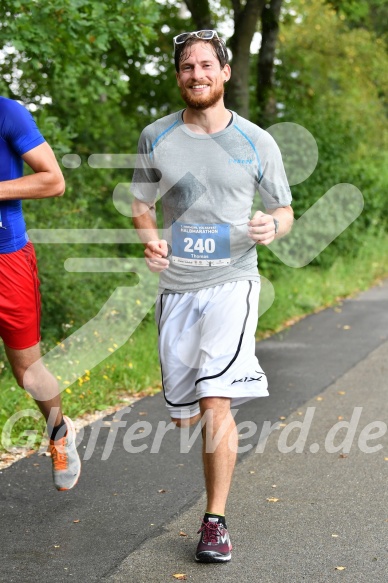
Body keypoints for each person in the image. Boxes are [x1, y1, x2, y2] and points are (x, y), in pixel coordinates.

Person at [131, 30, 293, 563]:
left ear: (223, 72)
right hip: (176, 289)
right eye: (186, 67)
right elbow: (140, 205)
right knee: (185, 415)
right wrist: (151, 240)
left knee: (214, 398)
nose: (196, 74)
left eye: (206, 65)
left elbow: (284, 211)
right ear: (178, 76)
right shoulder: (156, 135)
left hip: (233, 281)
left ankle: (215, 521)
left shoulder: (255, 140)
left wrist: (272, 224)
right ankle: (202, 411)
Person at [0, 96, 81, 491]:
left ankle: (59, 433)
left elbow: (54, 180)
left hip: (7, 260)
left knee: (28, 374)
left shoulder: (6, 112)